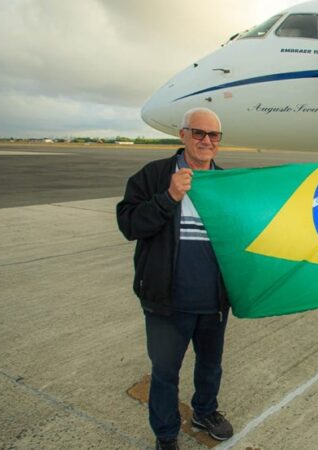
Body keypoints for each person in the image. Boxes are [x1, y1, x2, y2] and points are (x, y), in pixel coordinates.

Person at [116, 107, 234, 450]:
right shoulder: (154, 176)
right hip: (166, 301)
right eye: (198, 133)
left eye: (213, 136)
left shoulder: (225, 183)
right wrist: (168, 197)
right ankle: (166, 434)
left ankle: (204, 412)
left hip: (213, 301)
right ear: (182, 135)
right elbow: (129, 225)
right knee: (165, 373)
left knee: (211, 366)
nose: (206, 141)